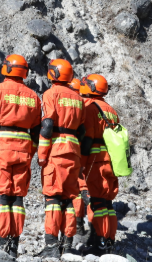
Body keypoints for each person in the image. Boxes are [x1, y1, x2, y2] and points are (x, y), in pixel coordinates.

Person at [0, 55, 42, 258]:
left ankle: (1, 245)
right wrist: (32, 151)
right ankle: (14, 244)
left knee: (1, 197)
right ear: (25, 72)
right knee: (17, 197)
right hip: (23, 152)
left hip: (0, 151)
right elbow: (38, 131)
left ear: (7, 69)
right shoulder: (33, 96)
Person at [37, 59, 86, 258]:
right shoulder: (78, 98)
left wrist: (42, 155)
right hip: (73, 151)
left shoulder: (50, 94)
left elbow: (47, 125)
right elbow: (81, 131)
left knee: (53, 198)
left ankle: (51, 247)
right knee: (69, 198)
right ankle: (67, 246)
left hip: (56, 150)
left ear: (54, 74)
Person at [80, 74, 119, 255]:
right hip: (111, 162)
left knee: (96, 202)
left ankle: (98, 244)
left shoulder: (89, 108)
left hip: (95, 161)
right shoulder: (111, 110)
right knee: (108, 203)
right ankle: (109, 241)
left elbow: (87, 139)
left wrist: (81, 163)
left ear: (92, 87)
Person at [69, 78, 90, 237]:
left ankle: (78, 226)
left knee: (75, 191)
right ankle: (91, 231)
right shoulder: (85, 105)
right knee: (85, 190)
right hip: (89, 154)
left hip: (74, 152)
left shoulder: (73, 105)